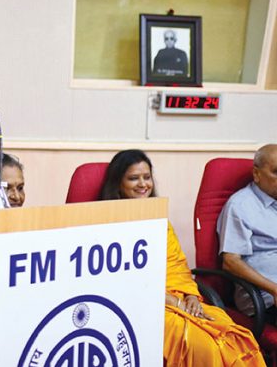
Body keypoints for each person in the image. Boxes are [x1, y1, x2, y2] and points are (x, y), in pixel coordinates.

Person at [100, 149, 265, 367]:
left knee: (237, 338)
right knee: (205, 347)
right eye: (133, 178)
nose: (143, 184)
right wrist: (171, 301)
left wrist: (191, 297)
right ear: (117, 183)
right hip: (140, 304)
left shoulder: (159, 219)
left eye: (146, 177)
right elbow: (118, 282)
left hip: (178, 297)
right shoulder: (106, 222)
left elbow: (177, 267)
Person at [217, 144, 277, 317]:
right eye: (276, 172)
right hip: (266, 297)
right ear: (257, 174)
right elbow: (230, 262)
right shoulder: (240, 206)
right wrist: (274, 289)